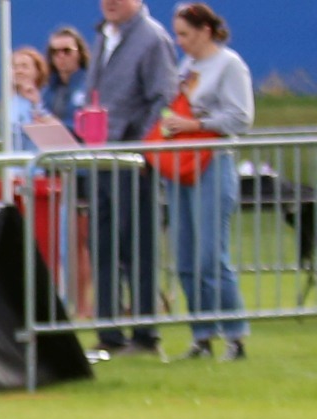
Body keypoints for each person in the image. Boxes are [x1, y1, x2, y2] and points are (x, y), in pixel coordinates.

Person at [88, 0, 177, 356]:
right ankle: (108, 333)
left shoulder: (152, 39)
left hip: (132, 162)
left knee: (136, 248)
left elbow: (164, 99)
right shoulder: (103, 37)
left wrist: (139, 147)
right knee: (103, 247)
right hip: (101, 160)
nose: (109, 2)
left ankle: (144, 335)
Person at [166, 2, 252, 360]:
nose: (180, 41)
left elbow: (241, 117)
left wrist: (196, 125)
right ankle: (201, 335)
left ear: (204, 30)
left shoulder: (230, 64)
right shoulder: (188, 67)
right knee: (185, 257)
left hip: (213, 164)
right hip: (182, 165)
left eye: (185, 34)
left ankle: (234, 335)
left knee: (210, 257)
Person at [44, 26, 93, 130]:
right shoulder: (47, 89)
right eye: (54, 51)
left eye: (67, 51)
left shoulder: (91, 83)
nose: (60, 56)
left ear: (79, 53)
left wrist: (61, 126)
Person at [5, 46, 49, 155]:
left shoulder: (47, 96)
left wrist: (37, 105)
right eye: (15, 67)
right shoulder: (8, 102)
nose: (19, 71)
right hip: (14, 166)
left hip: (40, 165)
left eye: (24, 67)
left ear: (37, 71)